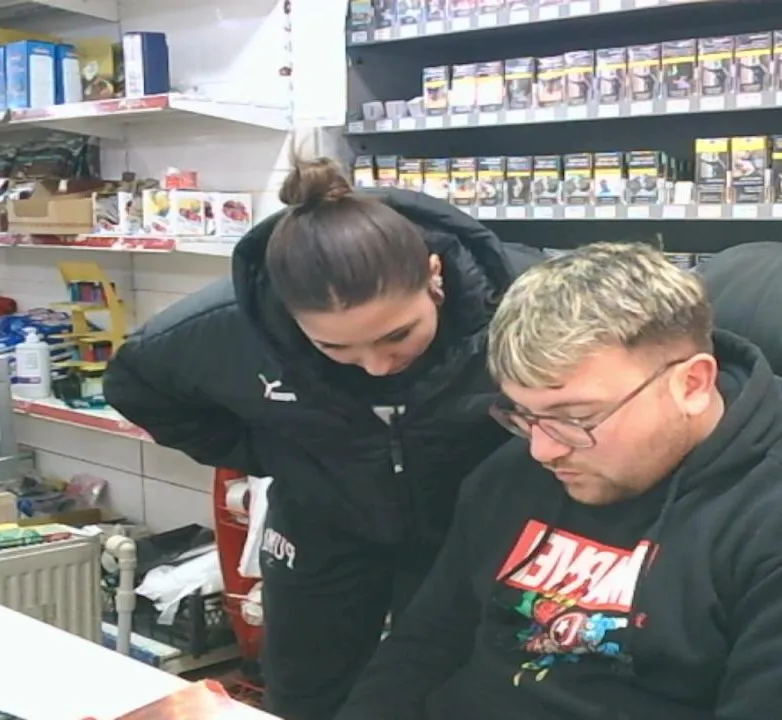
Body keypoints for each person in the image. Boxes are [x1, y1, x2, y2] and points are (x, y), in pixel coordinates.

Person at [334, 242, 782, 720]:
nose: (542, 448)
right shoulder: (512, 474)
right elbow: (422, 649)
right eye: (524, 415)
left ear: (691, 384)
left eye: (575, 418)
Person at [102, 157, 540, 720]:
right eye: (335, 348)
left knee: (449, 693)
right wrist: (274, 450)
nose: (376, 365)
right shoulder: (226, 324)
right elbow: (136, 383)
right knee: (306, 694)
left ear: (434, 275)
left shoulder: (526, 299)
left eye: (398, 335)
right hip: (322, 523)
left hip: (467, 528)